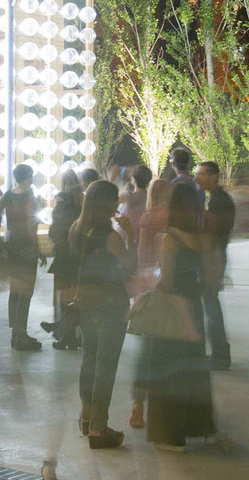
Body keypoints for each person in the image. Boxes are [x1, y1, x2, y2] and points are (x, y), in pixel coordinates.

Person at [139, 181, 217, 451]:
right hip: (194, 306)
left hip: (173, 309)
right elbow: (210, 277)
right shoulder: (204, 238)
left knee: (168, 371)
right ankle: (200, 427)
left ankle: (171, 436)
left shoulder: (169, 238)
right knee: (195, 370)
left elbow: (168, 282)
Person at [68, 179, 132, 449]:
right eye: (115, 199)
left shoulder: (77, 229)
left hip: (86, 304)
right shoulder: (111, 237)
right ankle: (98, 427)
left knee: (90, 360)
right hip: (110, 306)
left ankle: (86, 418)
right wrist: (130, 235)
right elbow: (131, 266)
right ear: (106, 203)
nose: (118, 203)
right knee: (106, 367)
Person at [0, 164, 45, 351]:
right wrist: (39, 251)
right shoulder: (29, 196)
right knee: (26, 291)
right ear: (28, 178)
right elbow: (31, 227)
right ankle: (21, 335)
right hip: (26, 247)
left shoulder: (9, 194)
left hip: (12, 244)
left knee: (15, 288)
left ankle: (16, 333)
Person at [194, 161, 235, 368]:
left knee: (211, 305)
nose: (197, 178)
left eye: (201, 174)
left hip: (213, 257)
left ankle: (220, 356)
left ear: (214, 176)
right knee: (210, 303)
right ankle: (220, 353)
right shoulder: (218, 199)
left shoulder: (220, 201)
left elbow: (213, 231)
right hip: (214, 255)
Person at [43, 169, 85, 349]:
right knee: (75, 294)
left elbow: (57, 224)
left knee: (61, 295)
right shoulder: (82, 199)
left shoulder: (61, 198)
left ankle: (63, 333)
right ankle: (74, 334)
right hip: (78, 251)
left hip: (63, 252)